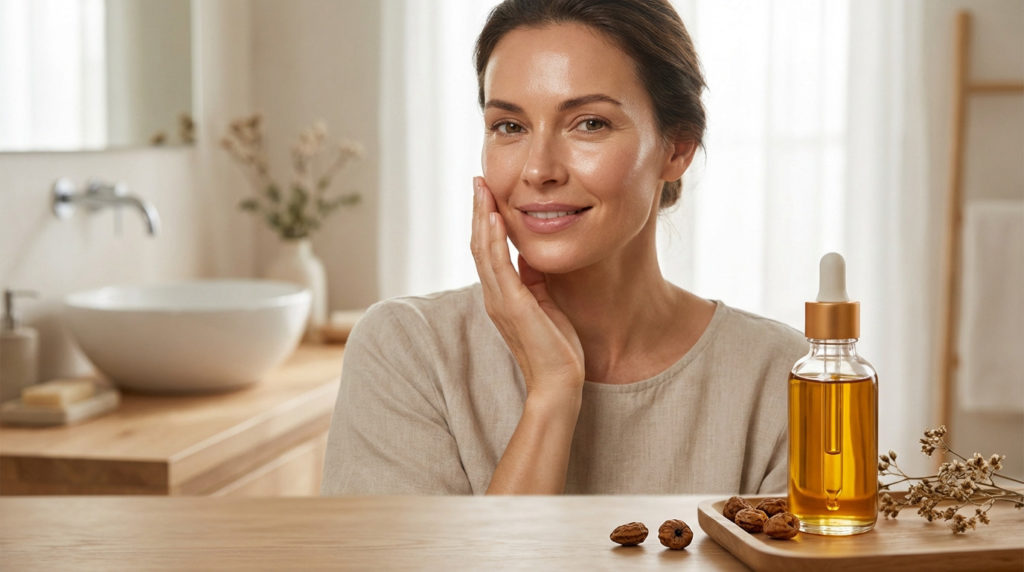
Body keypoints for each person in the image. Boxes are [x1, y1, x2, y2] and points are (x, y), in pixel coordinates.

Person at [321, 0, 806, 496]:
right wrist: (551, 395)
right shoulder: (407, 351)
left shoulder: (786, 377)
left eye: (589, 123)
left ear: (676, 147)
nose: (538, 169)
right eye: (510, 126)